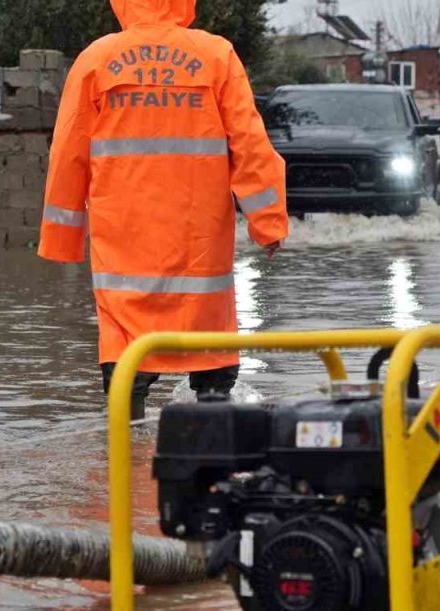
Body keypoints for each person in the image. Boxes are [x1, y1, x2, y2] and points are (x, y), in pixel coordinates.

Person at [37, 0, 288, 419]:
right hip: (200, 254)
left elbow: (67, 157)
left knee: (126, 375)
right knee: (212, 371)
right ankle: (211, 465)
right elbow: (251, 147)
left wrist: (62, 240)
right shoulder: (215, 54)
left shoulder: (96, 59)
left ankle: (123, 471)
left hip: (123, 255)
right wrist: (268, 223)